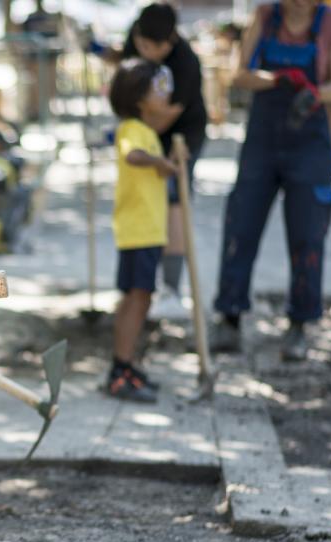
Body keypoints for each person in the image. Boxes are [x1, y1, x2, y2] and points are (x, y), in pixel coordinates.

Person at [211, 0, 331, 362]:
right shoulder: (265, 17)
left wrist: (314, 92)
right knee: (241, 224)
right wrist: (274, 79)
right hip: (263, 141)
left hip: (310, 141)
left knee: (308, 232)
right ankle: (229, 315)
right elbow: (240, 74)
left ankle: (299, 323)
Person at [102, 3, 207, 321]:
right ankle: (144, 288)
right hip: (144, 129)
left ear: (170, 41)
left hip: (179, 132)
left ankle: (171, 288)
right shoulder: (134, 40)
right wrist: (136, 133)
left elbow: (169, 112)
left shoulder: (186, 62)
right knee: (148, 199)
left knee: (175, 202)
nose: (146, 52)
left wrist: (148, 143)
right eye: (142, 45)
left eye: (154, 48)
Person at [106, 60, 176, 402]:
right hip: (139, 230)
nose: (164, 95)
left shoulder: (148, 132)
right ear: (139, 99)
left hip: (147, 230)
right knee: (138, 297)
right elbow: (132, 156)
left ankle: (126, 364)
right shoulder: (132, 129)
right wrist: (160, 162)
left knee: (140, 297)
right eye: (156, 90)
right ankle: (120, 370)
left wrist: (166, 164)